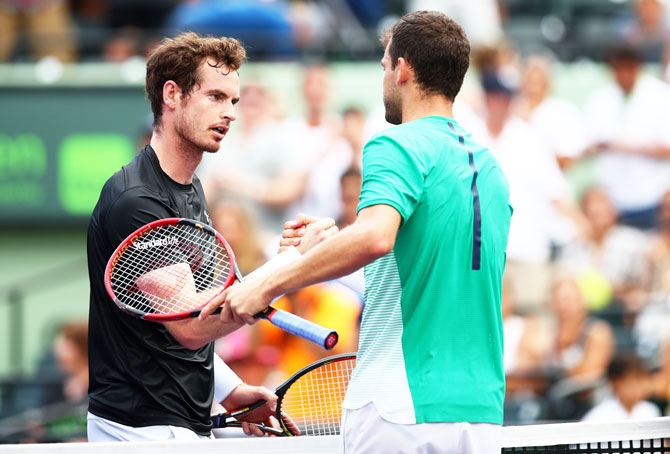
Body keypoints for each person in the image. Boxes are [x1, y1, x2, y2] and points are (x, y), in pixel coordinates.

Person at [202, 11, 512, 454]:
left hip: (400, 404)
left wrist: (264, 284)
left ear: (402, 68)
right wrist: (333, 240)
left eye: (384, 66)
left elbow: (375, 238)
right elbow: (420, 251)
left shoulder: (396, 143)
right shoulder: (491, 167)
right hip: (479, 411)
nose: (383, 76)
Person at [86, 32, 334, 442]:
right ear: (172, 95)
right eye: (216, 97)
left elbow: (202, 312)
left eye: (232, 101)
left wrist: (231, 391)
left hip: (184, 422)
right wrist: (291, 264)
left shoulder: (191, 189)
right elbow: (190, 327)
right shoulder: (136, 201)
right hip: (140, 430)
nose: (230, 113)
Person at [582, 352, 661, 421]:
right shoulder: (597, 417)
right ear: (616, 382)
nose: (642, 385)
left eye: (644, 378)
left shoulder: (650, 410)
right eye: (636, 378)